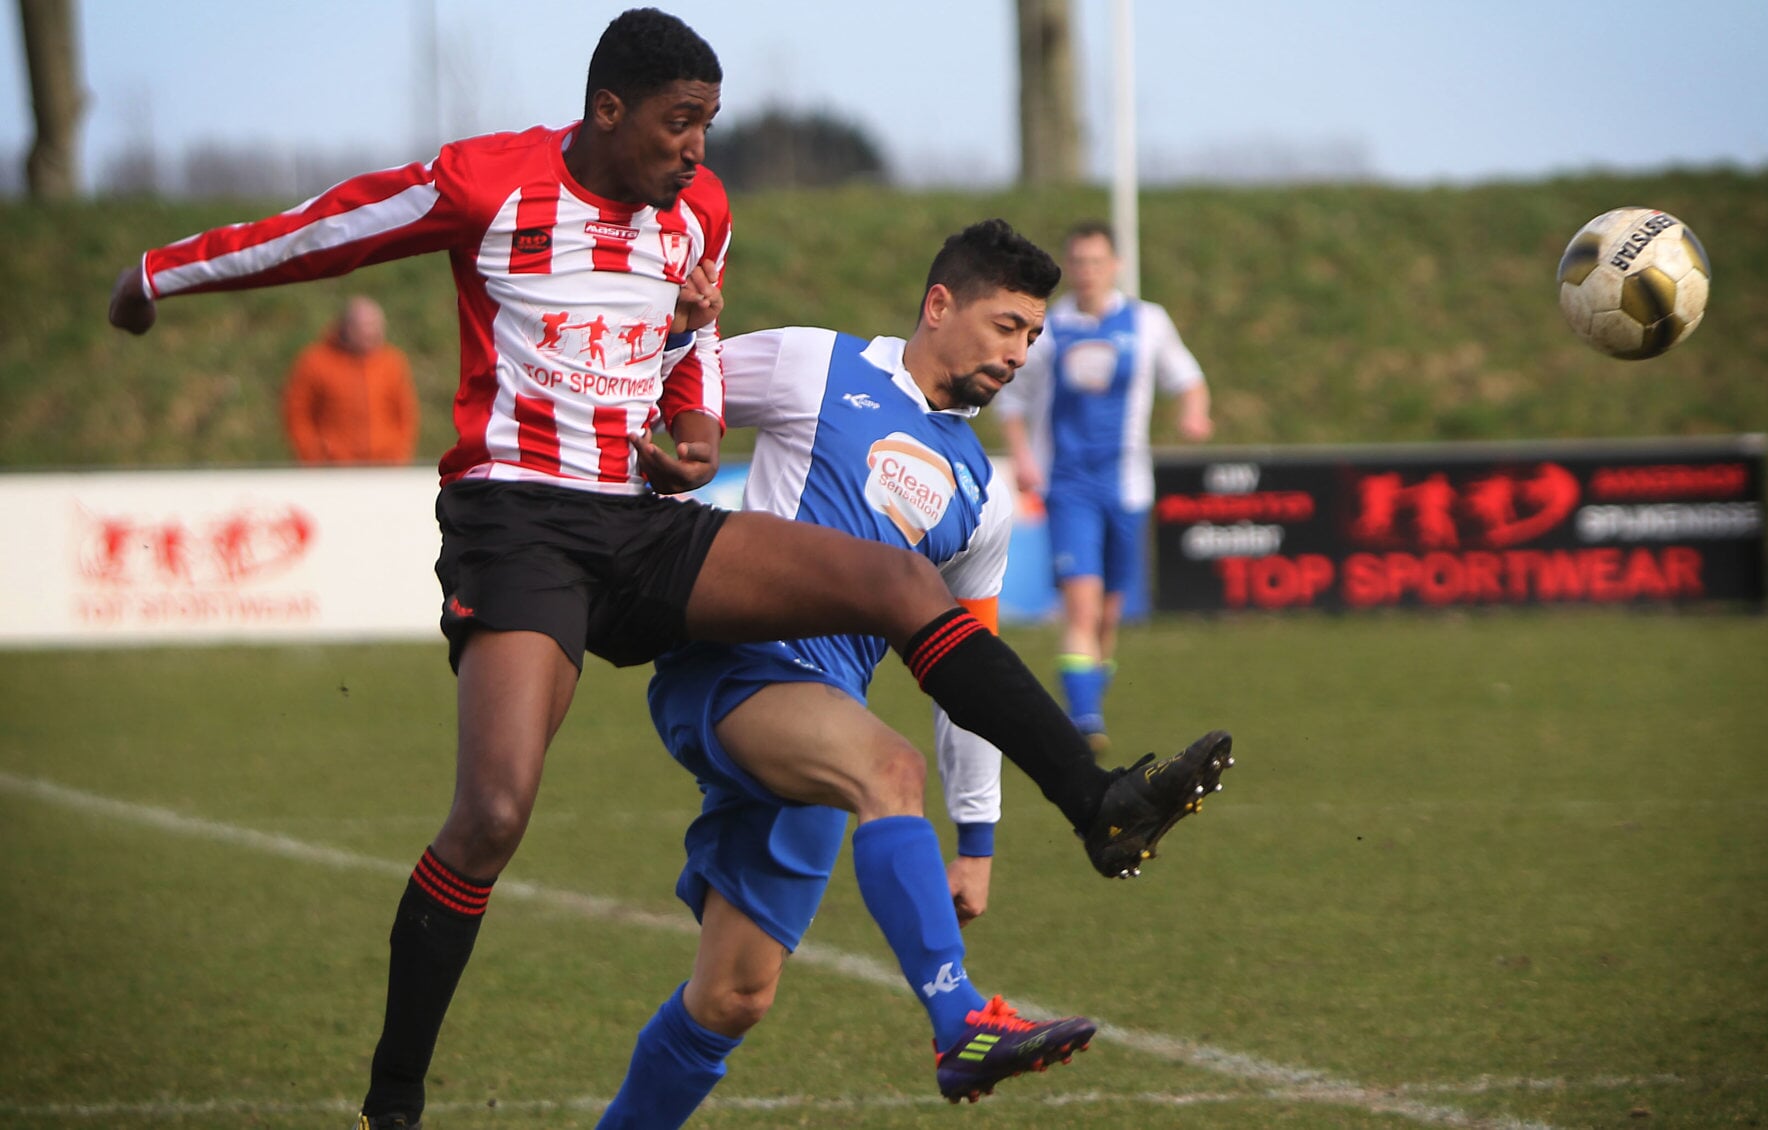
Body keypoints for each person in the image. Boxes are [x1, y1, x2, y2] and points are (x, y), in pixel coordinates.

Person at [103, 12, 1232, 1130]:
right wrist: (159, 273)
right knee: (492, 814)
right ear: (609, 111)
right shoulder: (485, 182)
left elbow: (687, 380)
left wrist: (688, 428)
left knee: (898, 598)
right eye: (680, 122)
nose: (698, 148)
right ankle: (393, 1102)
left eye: (710, 123)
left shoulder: (702, 213)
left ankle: (1098, 801)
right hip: (519, 523)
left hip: (639, 522)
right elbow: (329, 228)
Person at [600, 219, 1212, 1127]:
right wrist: (677, 360)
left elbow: (970, 684)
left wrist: (976, 840)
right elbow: (680, 386)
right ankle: (960, 1021)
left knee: (732, 999)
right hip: (733, 669)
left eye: (1034, 337)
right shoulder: (820, 365)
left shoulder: (982, 498)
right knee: (889, 771)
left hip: (821, 722)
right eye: (1007, 326)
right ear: (939, 305)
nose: (1021, 354)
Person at [997, 219, 1215, 748]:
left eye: (1097, 262)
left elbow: (1187, 378)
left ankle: (1087, 690)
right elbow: (1011, 396)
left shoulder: (1147, 322)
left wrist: (1194, 413)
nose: (1087, 272)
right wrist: (1023, 458)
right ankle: (1084, 719)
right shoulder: (1047, 327)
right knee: (1083, 603)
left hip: (1127, 487)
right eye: (1079, 262)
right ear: (1067, 267)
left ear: (1115, 265)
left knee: (1110, 614)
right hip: (1068, 485)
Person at [282, 295, 420, 464]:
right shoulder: (315, 362)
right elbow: (297, 413)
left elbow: (405, 413)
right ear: (347, 328)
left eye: (376, 328)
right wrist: (313, 453)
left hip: (384, 467)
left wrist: (399, 453)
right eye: (365, 329)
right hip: (334, 468)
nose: (372, 334)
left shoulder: (392, 362)